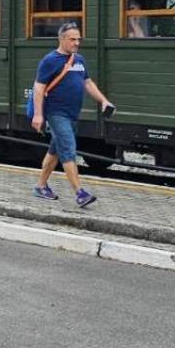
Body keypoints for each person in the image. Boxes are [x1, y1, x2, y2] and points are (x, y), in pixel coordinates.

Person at [30, 22, 114, 209]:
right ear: (61, 39)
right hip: (56, 113)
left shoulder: (79, 60)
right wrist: (38, 115)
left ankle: (40, 186)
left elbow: (88, 83)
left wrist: (104, 101)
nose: (77, 43)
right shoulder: (49, 60)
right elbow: (39, 88)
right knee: (68, 149)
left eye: (78, 39)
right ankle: (80, 193)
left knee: (55, 151)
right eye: (72, 39)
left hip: (72, 114)